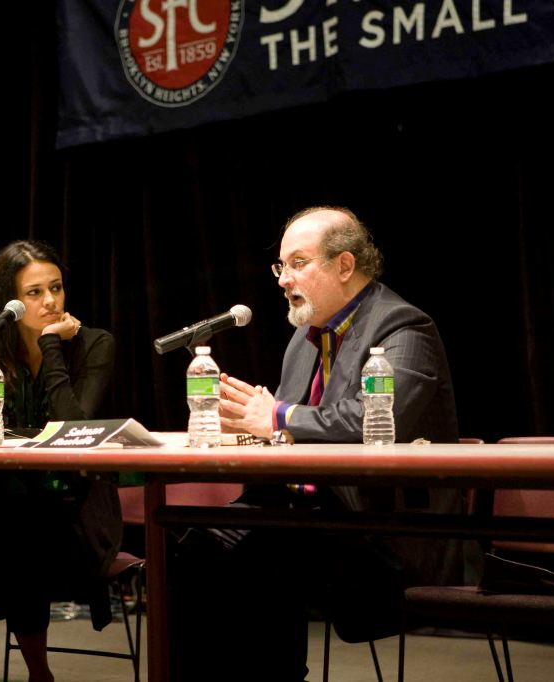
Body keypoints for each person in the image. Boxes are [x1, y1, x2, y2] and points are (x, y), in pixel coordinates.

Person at [170, 206, 470, 682]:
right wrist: (247, 428)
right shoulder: (305, 339)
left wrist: (275, 417)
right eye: (280, 265)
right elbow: (290, 435)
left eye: (298, 263)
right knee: (194, 549)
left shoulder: (403, 327)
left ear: (344, 265)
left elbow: (373, 421)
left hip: (380, 534)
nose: (283, 278)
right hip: (308, 517)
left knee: (255, 555)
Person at [0, 239, 120, 682]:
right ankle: (38, 674)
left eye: (56, 288)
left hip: (77, 511)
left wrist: (51, 345)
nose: (51, 301)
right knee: (4, 538)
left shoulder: (94, 344)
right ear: (9, 304)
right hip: (6, 514)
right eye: (35, 293)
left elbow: (75, 430)